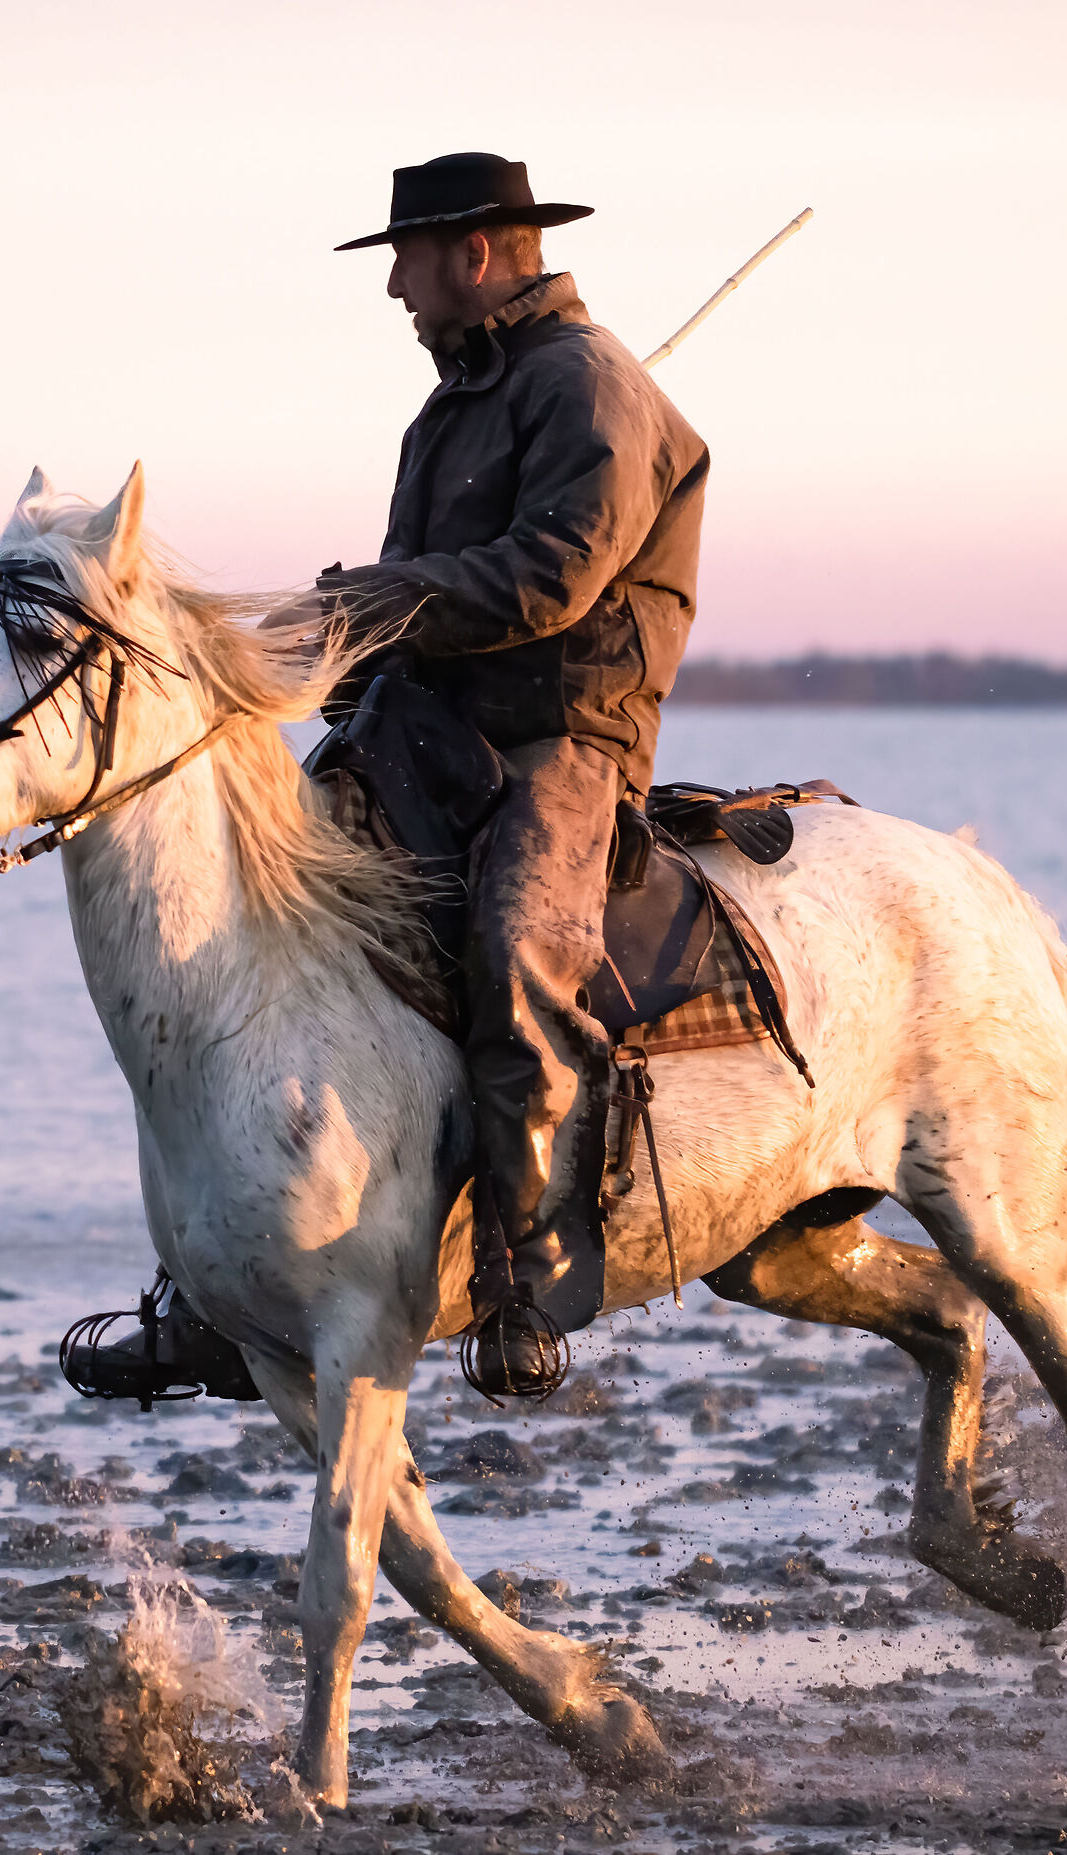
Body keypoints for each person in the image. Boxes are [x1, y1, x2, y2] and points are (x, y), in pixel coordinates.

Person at [68, 152, 708, 1404]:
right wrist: (349, 652)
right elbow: (422, 594)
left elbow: (553, 579)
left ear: (475, 254)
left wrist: (378, 599)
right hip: (429, 728)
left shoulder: (593, 385)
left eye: (406, 261)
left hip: (564, 738)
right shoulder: (452, 407)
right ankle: (213, 1285)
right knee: (263, 919)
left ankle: (526, 1269)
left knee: (519, 947)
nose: (396, 288)